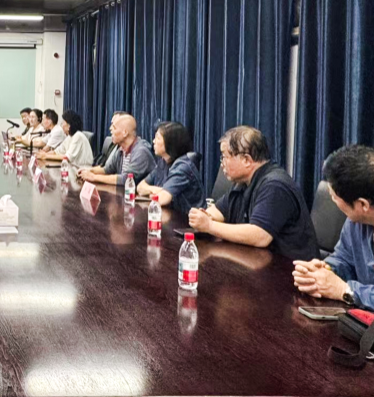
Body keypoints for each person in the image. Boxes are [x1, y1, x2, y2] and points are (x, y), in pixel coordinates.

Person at [188, 126, 319, 261]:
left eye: (225, 157)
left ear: (246, 160)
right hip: (259, 263)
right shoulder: (242, 183)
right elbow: (218, 212)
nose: (222, 163)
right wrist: (203, 216)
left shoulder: (275, 185)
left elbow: (260, 236)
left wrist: (209, 225)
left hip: (290, 269)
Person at [293, 145, 374, 309]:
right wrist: (325, 270)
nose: (332, 199)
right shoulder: (355, 221)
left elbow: (343, 289)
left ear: (363, 205)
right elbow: (343, 258)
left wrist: (344, 290)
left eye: (334, 196)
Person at [137, 122, 206, 213]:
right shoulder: (163, 162)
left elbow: (162, 199)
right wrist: (157, 190)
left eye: (158, 138)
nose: (153, 141)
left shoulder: (183, 167)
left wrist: (155, 192)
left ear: (170, 142)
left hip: (186, 219)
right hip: (169, 215)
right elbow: (140, 187)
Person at [78, 113, 155, 185]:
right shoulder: (121, 149)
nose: (110, 129)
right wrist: (88, 170)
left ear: (125, 133)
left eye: (114, 128)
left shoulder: (141, 151)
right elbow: (107, 170)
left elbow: (126, 179)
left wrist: (94, 177)